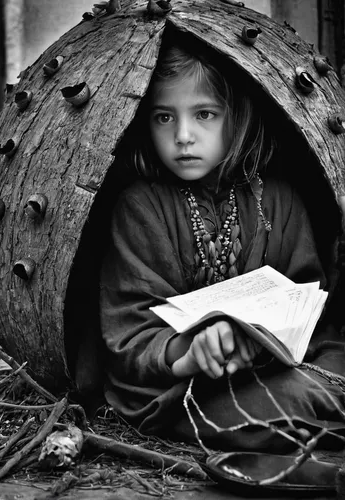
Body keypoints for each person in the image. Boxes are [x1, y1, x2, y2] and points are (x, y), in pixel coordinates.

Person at [99, 33, 345, 454]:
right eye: (163, 117)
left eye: (205, 114)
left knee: (319, 380)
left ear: (238, 117)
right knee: (269, 407)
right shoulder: (141, 206)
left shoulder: (279, 200)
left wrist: (266, 337)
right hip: (180, 388)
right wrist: (193, 351)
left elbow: (310, 308)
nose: (183, 135)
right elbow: (129, 333)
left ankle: (294, 421)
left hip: (279, 369)